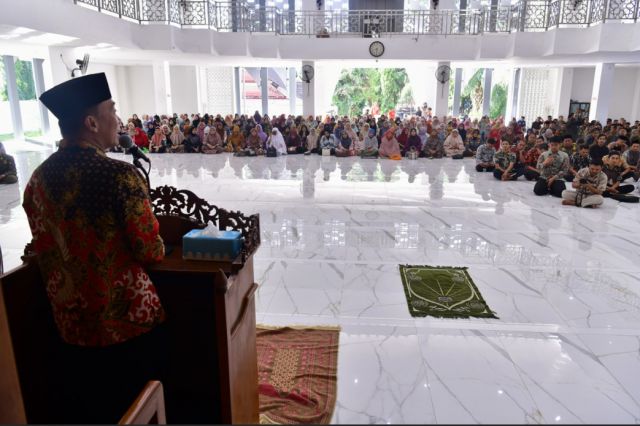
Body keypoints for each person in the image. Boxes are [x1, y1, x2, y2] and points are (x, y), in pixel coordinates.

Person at [22, 73, 167, 423]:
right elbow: (151, 250)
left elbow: (41, 245)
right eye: (112, 110)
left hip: (70, 324)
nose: (117, 119)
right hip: (126, 321)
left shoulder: (37, 181)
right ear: (91, 122)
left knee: (95, 406)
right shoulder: (119, 176)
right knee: (137, 404)